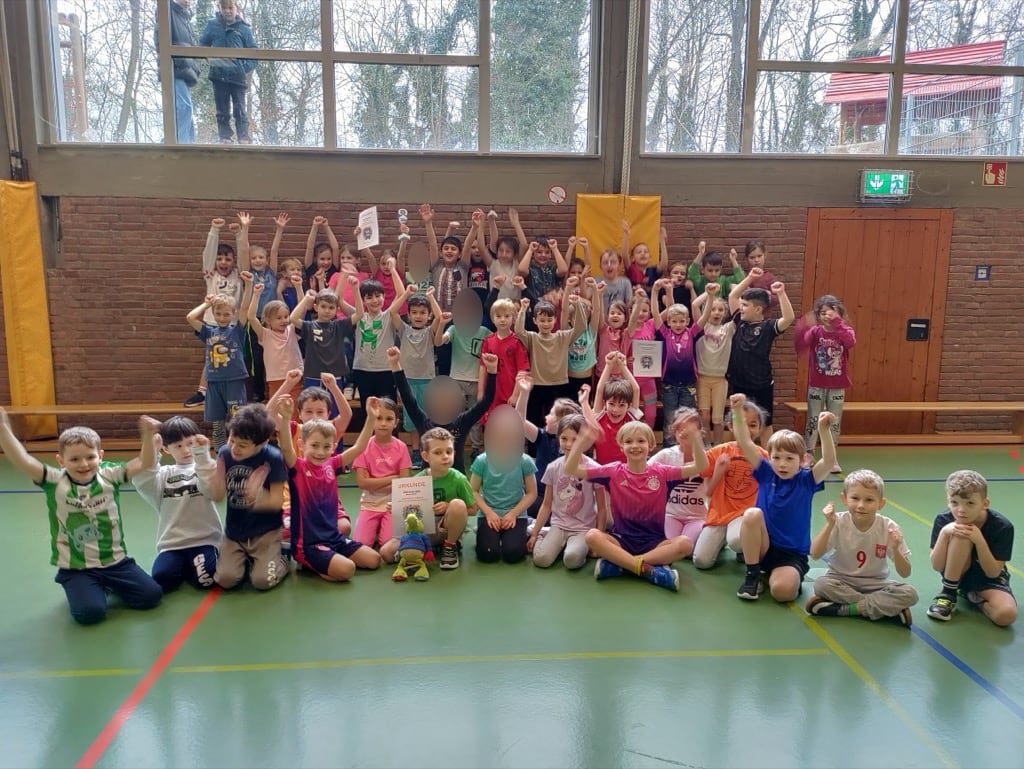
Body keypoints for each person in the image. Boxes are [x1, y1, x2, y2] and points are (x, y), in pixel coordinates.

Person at [0, 408, 162, 625]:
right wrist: (3, 428)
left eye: (90, 457)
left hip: (115, 562)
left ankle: (104, 585)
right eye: (74, 459)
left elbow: (144, 462)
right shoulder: (54, 481)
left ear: (100, 456)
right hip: (77, 568)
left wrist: (148, 435)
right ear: (61, 460)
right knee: (90, 613)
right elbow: (22, 460)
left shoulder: (110, 476)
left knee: (151, 596)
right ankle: (79, 585)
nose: (84, 464)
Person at [565, 416, 709, 592]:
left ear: (651, 445)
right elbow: (571, 469)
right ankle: (649, 570)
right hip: (621, 540)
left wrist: (695, 438)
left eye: (641, 441)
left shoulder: (663, 473)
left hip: (654, 543)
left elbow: (701, 466)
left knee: (685, 544)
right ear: (621, 446)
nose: (635, 446)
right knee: (592, 536)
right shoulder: (612, 471)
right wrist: (581, 441)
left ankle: (621, 565)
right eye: (628, 441)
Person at [730, 393, 836, 602]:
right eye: (776, 458)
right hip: (764, 546)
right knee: (752, 514)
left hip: (790, 554)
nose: (782, 464)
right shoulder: (766, 472)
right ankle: (753, 574)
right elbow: (744, 441)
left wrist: (823, 430)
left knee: (782, 592)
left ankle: (778, 576)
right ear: (769, 458)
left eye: (789, 458)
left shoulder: (806, 480)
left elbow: (829, 460)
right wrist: (736, 411)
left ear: (803, 460)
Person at [277, 396, 383, 582]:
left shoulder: (331, 464)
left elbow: (359, 447)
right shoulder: (298, 467)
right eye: (314, 445)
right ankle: (307, 562)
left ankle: (328, 559)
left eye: (326, 447)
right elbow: (286, 449)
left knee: (374, 560)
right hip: (309, 544)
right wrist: (286, 419)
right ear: (302, 445)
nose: (320, 452)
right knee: (347, 569)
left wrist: (371, 418)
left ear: (333, 447)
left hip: (334, 538)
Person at [806, 470, 918, 625]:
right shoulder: (838, 521)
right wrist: (829, 524)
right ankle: (883, 609)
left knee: (910, 593)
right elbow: (814, 553)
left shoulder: (888, 527)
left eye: (869, 500)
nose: (861, 505)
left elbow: (905, 572)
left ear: (881, 503)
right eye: (855, 498)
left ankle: (847, 609)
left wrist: (896, 548)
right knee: (821, 584)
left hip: (875, 583)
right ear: (844, 498)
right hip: (840, 580)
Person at [202, 403, 288, 591]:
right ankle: (249, 561)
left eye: (242, 445)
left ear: (262, 443)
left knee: (262, 581)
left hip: (266, 533)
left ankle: (281, 559)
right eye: (231, 440)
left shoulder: (273, 458)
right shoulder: (225, 454)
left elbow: (277, 502)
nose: (234, 448)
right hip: (235, 533)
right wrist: (215, 483)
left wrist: (258, 496)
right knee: (225, 579)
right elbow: (218, 497)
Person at [133, 416, 223, 593]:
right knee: (162, 579)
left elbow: (211, 490)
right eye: (178, 446)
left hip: (204, 540)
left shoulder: (206, 467)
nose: (186, 450)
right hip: (172, 545)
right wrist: (151, 447)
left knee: (206, 579)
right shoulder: (163, 475)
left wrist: (202, 455)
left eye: (190, 443)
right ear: (166, 449)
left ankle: (194, 566)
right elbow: (143, 478)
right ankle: (187, 566)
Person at [926, 470, 1016, 626]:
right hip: (955, 573)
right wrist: (945, 532)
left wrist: (979, 541)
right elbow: (937, 565)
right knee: (962, 532)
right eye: (954, 503)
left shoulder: (1003, 526)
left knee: (1006, 615)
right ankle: (948, 594)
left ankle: (972, 595)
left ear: (984, 504)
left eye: (970, 503)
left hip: (987, 578)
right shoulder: (944, 520)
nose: (961, 510)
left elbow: (993, 572)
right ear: (948, 501)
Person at [388, 346, 497, 474]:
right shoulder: (424, 422)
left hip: (455, 480)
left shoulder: (462, 422)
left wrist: (492, 371)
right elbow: (407, 398)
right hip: (429, 480)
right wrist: (395, 365)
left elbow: (486, 401)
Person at [691, 398, 768, 570]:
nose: (747, 430)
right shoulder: (720, 451)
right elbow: (707, 490)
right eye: (742, 424)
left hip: (743, 514)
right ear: (731, 426)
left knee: (736, 540)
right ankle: (721, 542)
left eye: (753, 425)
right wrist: (718, 470)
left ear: (760, 428)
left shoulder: (763, 456)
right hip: (719, 514)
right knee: (701, 561)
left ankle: (746, 547)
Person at [184, 216, 250, 408]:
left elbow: (244, 256)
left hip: (233, 326)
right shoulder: (210, 274)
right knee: (212, 357)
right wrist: (214, 230)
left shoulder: (239, 275)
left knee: (233, 357)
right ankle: (203, 392)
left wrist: (239, 234)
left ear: (233, 262)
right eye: (219, 259)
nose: (223, 262)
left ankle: (232, 393)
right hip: (213, 323)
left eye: (228, 259)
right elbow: (208, 254)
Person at [528, 414, 607, 570]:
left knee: (572, 560)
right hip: (558, 525)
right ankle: (544, 533)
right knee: (541, 560)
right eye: (564, 438)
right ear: (558, 438)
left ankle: (571, 546)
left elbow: (602, 508)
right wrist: (535, 534)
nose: (569, 444)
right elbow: (547, 504)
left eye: (575, 439)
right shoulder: (553, 467)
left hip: (583, 528)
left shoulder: (595, 469)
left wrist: (598, 539)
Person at [725, 268, 795, 443]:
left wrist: (781, 293)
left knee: (765, 423)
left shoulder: (768, 327)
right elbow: (733, 296)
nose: (741, 308)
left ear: (757, 309)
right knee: (738, 421)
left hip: (761, 384)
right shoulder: (739, 321)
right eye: (741, 305)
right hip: (740, 383)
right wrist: (750, 278)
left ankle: (768, 455)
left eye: (745, 305)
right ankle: (740, 453)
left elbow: (788, 318)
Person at [396, 427, 476, 570]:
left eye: (448, 452)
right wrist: (396, 507)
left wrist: (448, 506)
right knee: (388, 553)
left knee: (458, 504)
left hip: (446, 528)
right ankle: (422, 547)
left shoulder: (459, 479)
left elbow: (473, 509)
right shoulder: (417, 480)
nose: (445, 456)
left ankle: (450, 547)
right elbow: (408, 512)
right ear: (425, 456)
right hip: (423, 529)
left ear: (454, 453)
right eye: (438, 452)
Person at [186, 279, 253, 449]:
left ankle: (237, 452)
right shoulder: (208, 332)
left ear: (233, 313)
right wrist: (207, 304)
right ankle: (220, 454)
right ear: (214, 314)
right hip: (214, 382)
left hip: (234, 381)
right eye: (218, 313)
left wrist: (249, 285)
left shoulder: (237, 331)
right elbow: (190, 317)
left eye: (226, 314)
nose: (222, 318)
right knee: (217, 425)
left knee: (237, 421)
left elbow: (245, 308)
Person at [794, 294, 856, 473]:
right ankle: (808, 454)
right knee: (813, 419)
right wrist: (803, 325)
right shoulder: (816, 332)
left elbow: (850, 342)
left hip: (837, 385)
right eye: (823, 313)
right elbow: (802, 344)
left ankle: (832, 457)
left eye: (832, 313)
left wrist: (837, 323)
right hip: (817, 384)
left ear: (840, 314)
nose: (827, 316)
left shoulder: (845, 331)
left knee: (834, 422)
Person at [514, 282, 588, 428]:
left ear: (555, 320)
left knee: (556, 423)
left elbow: (581, 327)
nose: (546, 323)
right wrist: (522, 309)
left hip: (558, 385)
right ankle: (535, 444)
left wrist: (577, 304)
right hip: (536, 385)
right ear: (535, 321)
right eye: (542, 320)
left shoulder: (562, 336)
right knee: (533, 421)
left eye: (549, 320)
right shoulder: (532, 338)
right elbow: (518, 331)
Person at [470, 407, 538, 564]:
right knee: (487, 554)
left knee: (513, 554)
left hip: (515, 514)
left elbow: (531, 493)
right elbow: (473, 491)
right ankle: (485, 533)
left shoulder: (524, 461)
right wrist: (488, 513)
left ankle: (527, 524)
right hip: (489, 513)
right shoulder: (482, 461)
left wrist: (513, 513)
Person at [351, 398, 412, 563]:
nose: (383, 423)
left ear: (396, 422)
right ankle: (374, 527)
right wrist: (393, 478)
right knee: (361, 544)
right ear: (372, 419)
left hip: (393, 504)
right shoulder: (363, 446)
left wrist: (374, 483)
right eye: (379, 418)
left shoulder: (401, 447)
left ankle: (381, 528)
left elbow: (403, 483)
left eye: (389, 419)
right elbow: (362, 483)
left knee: (387, 545)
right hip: (370, 503)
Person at [389, 284, 445, 458]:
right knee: (411, 418)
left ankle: (425, 449)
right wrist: (406, 293)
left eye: (422, 312)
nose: (418, 316)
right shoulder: (404, 329)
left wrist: (431, 297)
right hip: (407, 381)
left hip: (427, 380)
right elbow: (392, 312)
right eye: (414, 312)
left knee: (426, 417)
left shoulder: (429, 331)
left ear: (428, 315)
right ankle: (415, 450)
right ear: (409, 315)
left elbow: (440, 317)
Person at [199, 0, 258, 144]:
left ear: (237, 8)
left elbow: (254, 53)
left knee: (240, 107)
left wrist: (243, 67)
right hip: (218, 75)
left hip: (237, 76)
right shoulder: (212, 25)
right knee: (222, 108)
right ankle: (225, 136)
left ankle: (243, 136)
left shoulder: (244, 28)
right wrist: (212, 60)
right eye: (224, 8)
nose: (227, 11)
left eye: (230, 7)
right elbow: (202, 45)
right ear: (219, 8)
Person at [651, 409, 708, 547]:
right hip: (671, 515)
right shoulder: (666, 455)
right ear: (674, 431)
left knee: (687, 545)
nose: (685, 432)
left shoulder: (707, 456)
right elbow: (644, 471)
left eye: (690, 429)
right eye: (680, 428)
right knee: (667, 544)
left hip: (696, 517)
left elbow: (710, 484)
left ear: (700, 432)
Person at [652, 278, 698, 446]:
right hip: (669, 386)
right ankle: (668, 449)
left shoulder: (691, 333)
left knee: (686, 419)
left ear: (687, 321)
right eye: (674, 321)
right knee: (670, 420)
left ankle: (685, 448)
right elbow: (655, 314)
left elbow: (704, 317)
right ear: (669, 322)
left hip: (688, 385)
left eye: (681, 321)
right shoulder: (665, 333)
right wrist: (655, 291)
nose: (678, 324)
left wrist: (709, 296)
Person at [691, 283, 735, 446]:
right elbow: (695, 305)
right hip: (702, 378)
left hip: (720, 380)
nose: (716, 312)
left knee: (717, 418)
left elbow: (739, 313)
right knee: (704, 416)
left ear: (725, 313)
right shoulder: (701, 327)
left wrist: (734, 293)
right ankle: (706, 446)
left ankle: (717, 445)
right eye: (713, 309)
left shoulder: (728, 329)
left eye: (720, 310)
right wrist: (709, 294)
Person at [157, 0, 199, 143]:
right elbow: (159, 39)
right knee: (184, 107)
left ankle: (186, 144)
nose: (188, 1)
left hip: (185, 69)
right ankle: (178, 145)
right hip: (174, 68)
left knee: (186, 110)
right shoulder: (168, 11)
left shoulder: (185, 18)